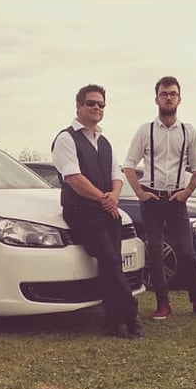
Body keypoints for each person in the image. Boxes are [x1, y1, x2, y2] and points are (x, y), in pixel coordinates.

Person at [123, 76, 196, 320]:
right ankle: (163, 303)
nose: (168, 98)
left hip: (177, 200)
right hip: (152, 200)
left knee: (188, 252)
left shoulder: (188, 132)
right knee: (156, 253)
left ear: (180, 98)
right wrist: (140, 193)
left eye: (173, 94)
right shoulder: (145, 131)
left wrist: (186, 192)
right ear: (156, 98)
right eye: (164, 94)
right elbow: (128, 165)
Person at [52, 84, 144, 339]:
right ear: (78, 106)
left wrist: (113, 196)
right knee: (112, 261)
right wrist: (104, 198)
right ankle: (131, 314)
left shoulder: (104, 142)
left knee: (110, 264)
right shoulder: (66, 139)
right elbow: (73, 178)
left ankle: (114, 321)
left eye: (101, 104)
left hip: (107, 210)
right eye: (91, 103)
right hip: (81, 211)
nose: (96, 108)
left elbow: (117, 175)